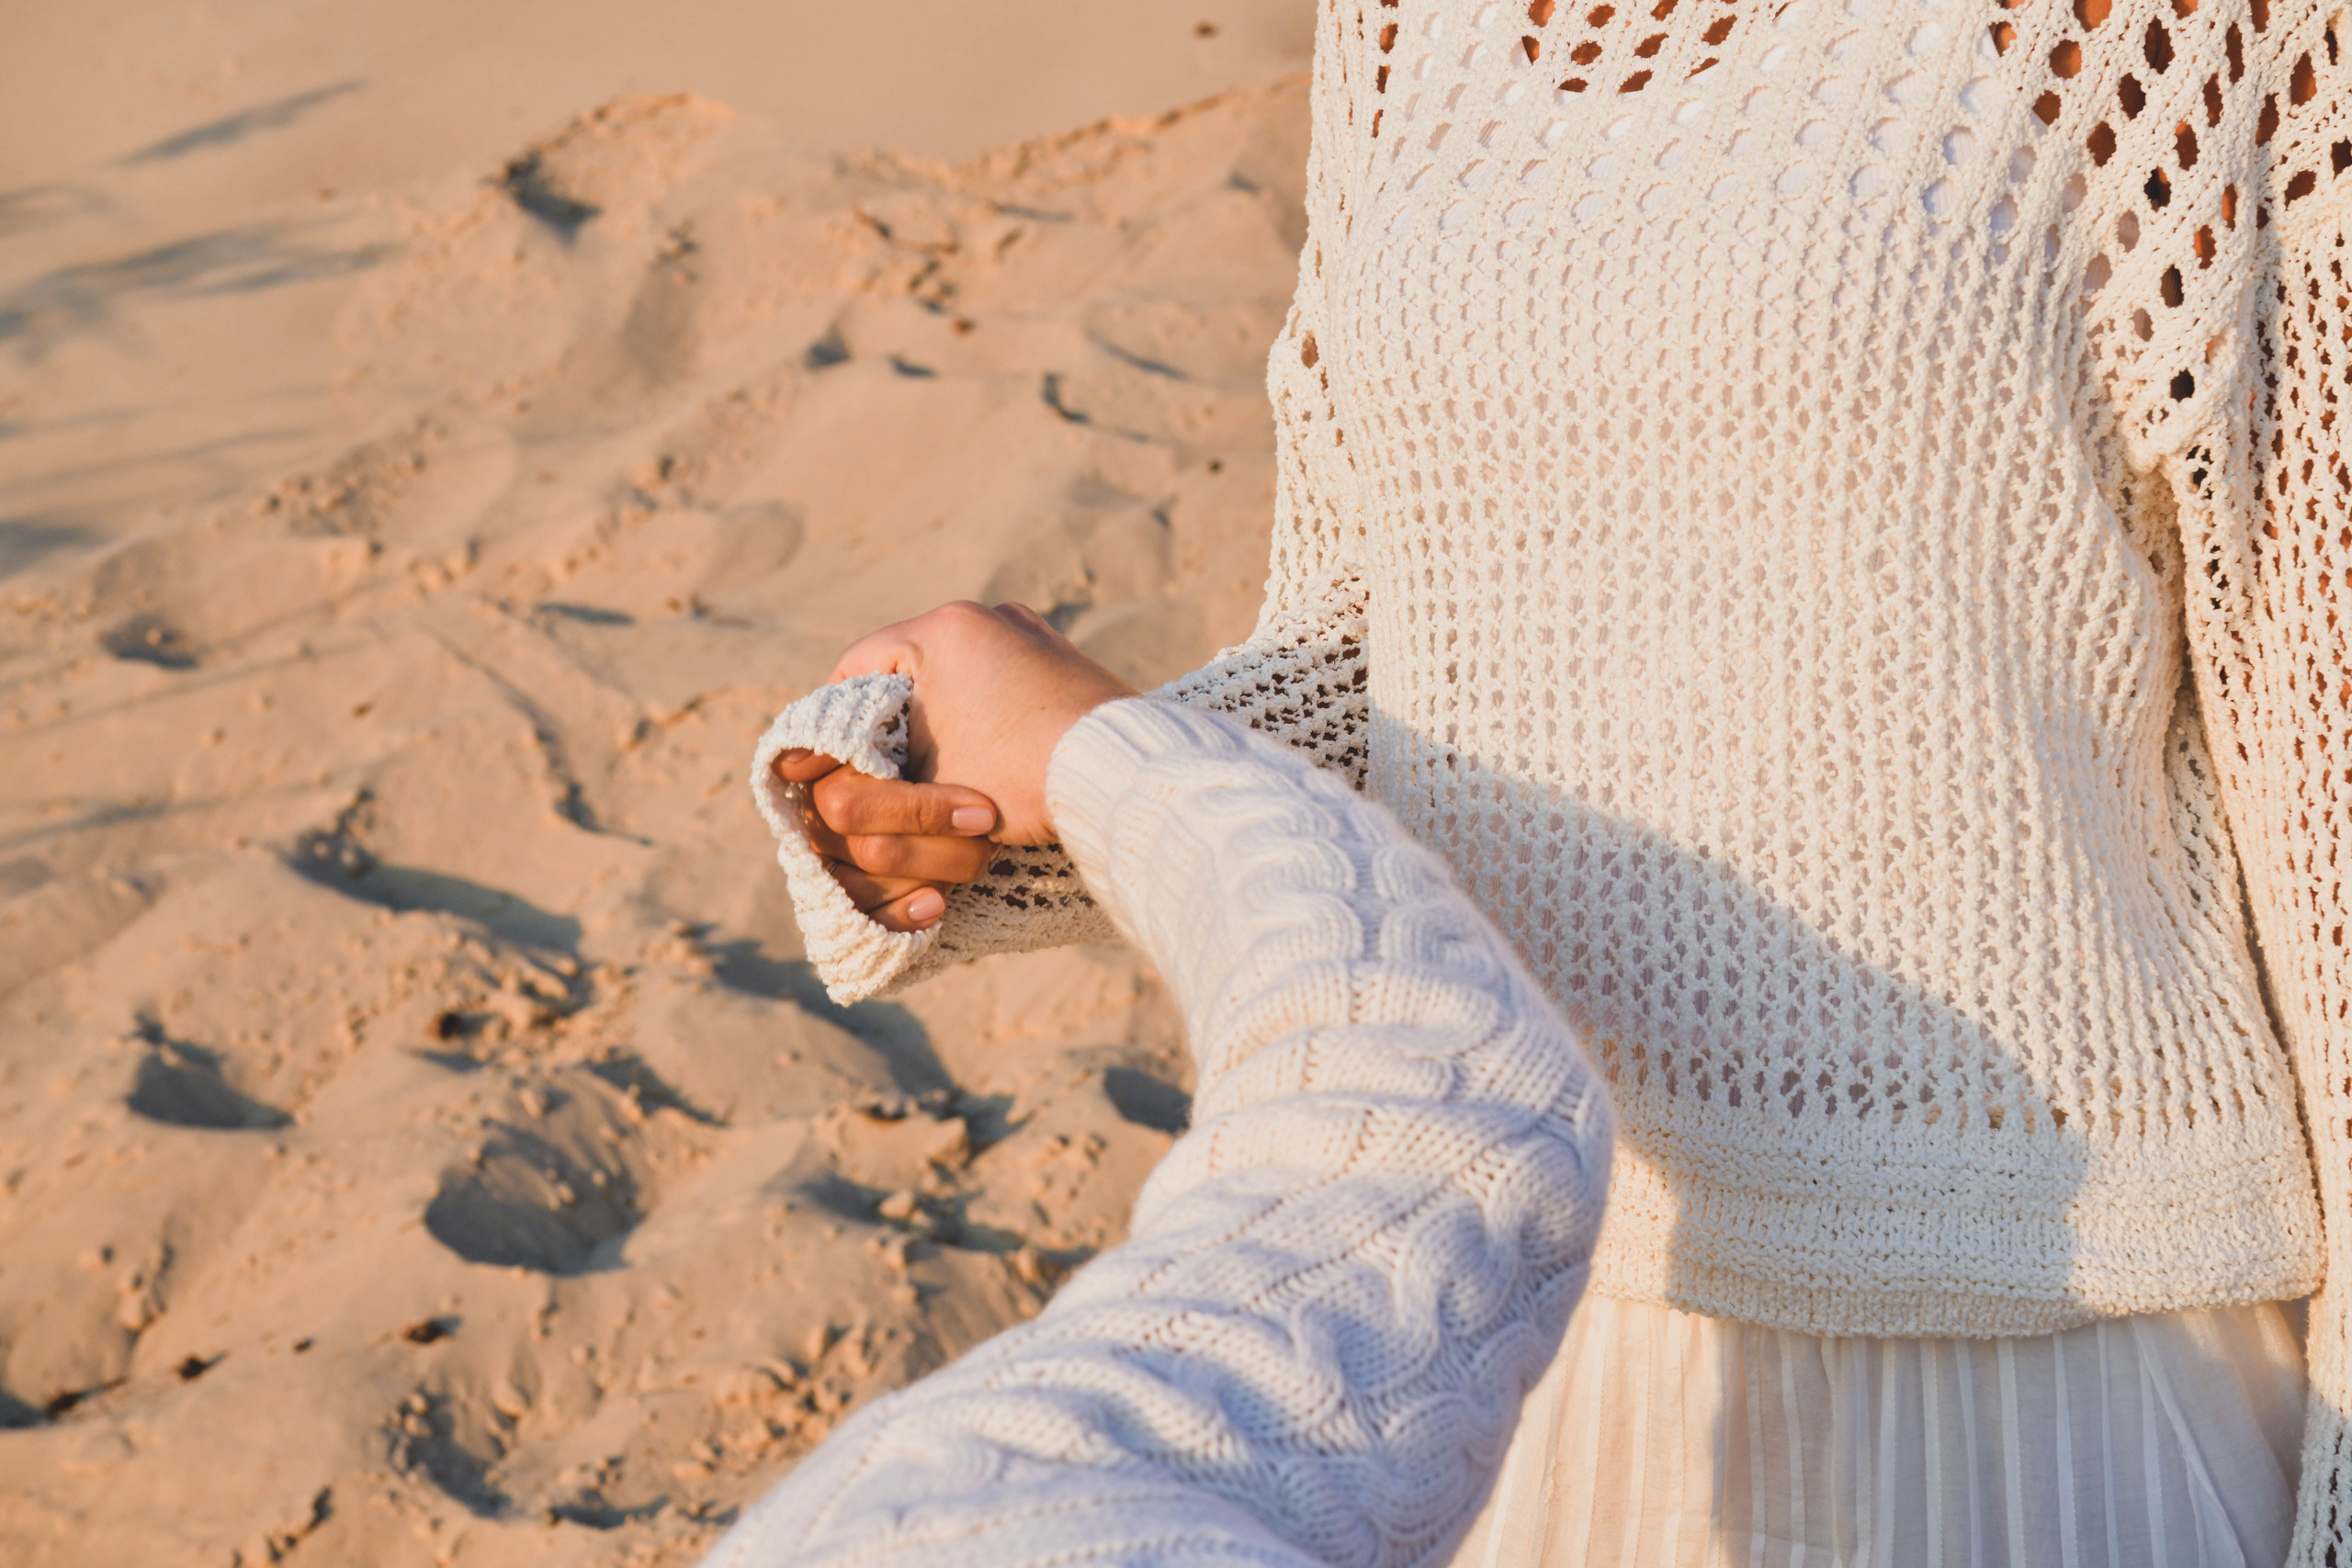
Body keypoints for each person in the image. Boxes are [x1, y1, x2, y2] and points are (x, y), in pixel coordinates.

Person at [762, 0, 2352, 1559]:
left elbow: (2329, 794)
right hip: (1536, 1307)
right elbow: (1402, 658)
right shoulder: (1397, 27)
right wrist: (1024, 801)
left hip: (2039, 1337)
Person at [715, 602, 1614, 1567]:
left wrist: (1067, 777)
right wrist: (1103, 755)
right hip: (1610, 1295)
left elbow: (1423, 653)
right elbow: (1452, 1107)